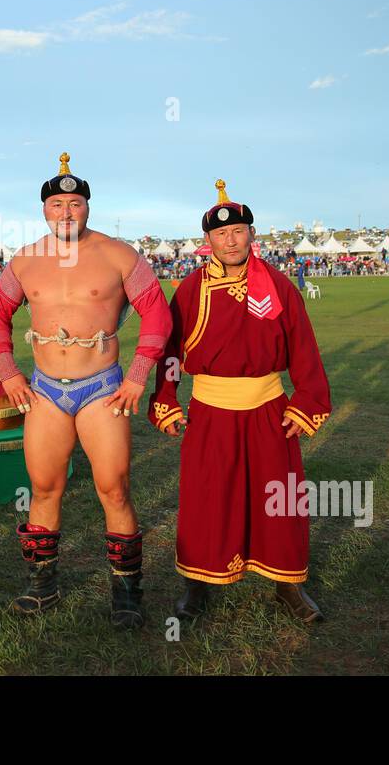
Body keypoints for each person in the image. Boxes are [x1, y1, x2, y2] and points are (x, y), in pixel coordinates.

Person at [0, 153, 171, 629]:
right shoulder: (25, 261)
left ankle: (127, 595)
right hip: (46, 390)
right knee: (45, 489)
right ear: (44, 210)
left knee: (115, 490)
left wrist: (136, 376)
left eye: (75, 204)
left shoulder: (119, 254)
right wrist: (8, 372)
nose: (66, 212)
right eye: (56, 204)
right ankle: (42, 585)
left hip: (103, 388)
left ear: (88, 207)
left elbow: (158, 315)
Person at [150, 180, 332, 624]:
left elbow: (303, 348)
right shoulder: (191, 290)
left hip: (268, 406)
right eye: (220, 234)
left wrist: (306, 402)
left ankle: (287, 584)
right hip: (211, 411)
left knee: (279, 497)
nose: (230, 241)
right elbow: (171, 351)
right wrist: (167, 399)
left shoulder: (278, 287)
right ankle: (198, 582)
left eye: (238, 232)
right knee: (208, 497)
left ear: (251, 234)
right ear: (207, 240)